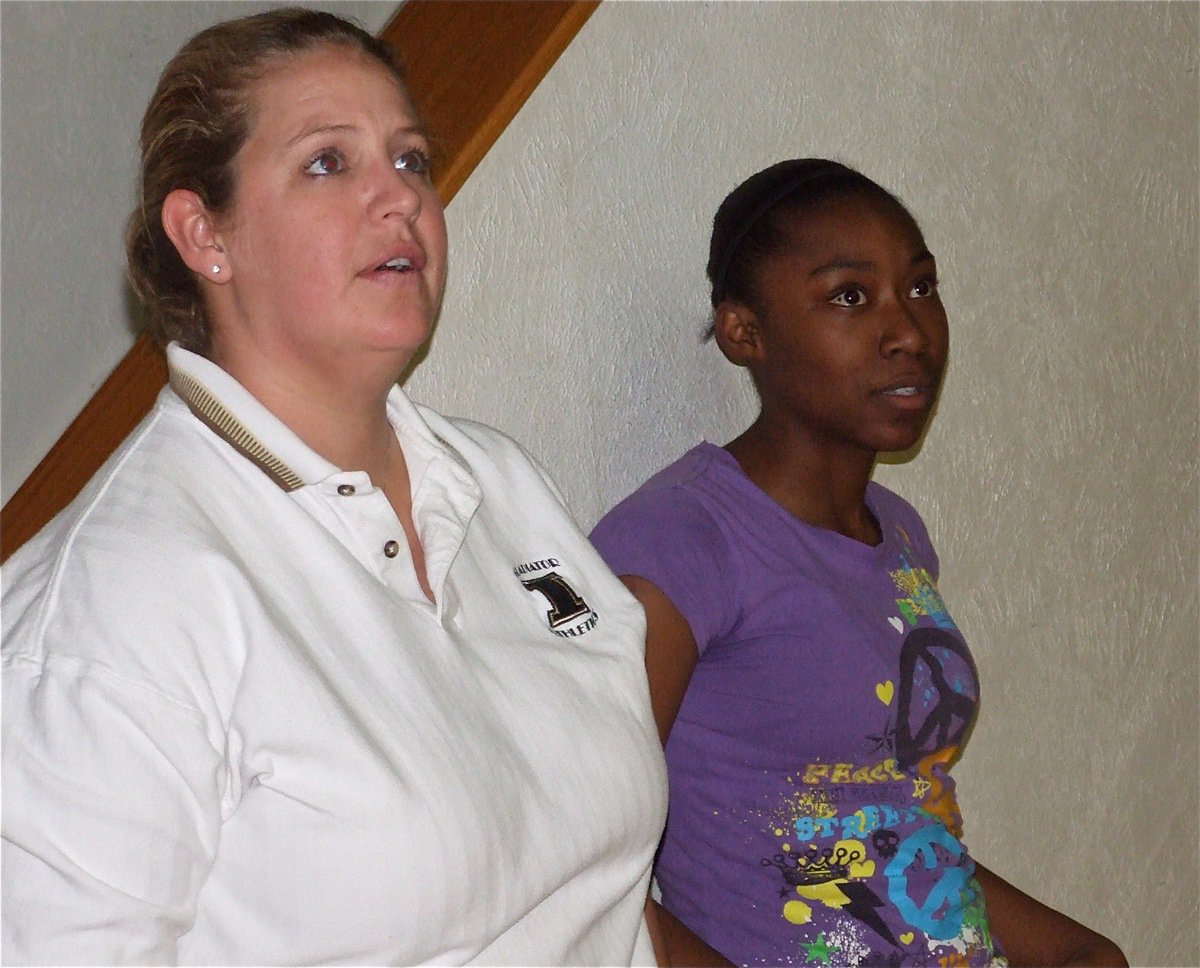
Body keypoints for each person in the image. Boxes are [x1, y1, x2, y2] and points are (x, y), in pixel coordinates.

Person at [1, 9, 673, 964]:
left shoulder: (498, 480)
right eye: (328, 162)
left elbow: (609, 882)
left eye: (411, 160)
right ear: (204, 234)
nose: (398, 198)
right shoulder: (112, 605)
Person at [590, 159, 1128, 967]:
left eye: (920, 288)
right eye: (849, 296)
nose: (909, 331)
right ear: (745, 332)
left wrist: (1079, 953)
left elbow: (888, 816)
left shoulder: (899, 535)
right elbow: (583, 867)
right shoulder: (681, 539)